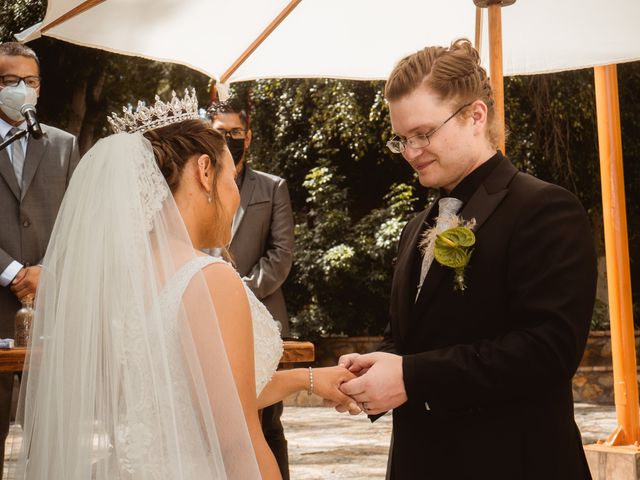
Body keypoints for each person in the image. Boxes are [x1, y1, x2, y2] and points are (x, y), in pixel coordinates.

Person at [14, 89, 359, 479]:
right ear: (205, 171)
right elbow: (236, 439)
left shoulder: (116, 281)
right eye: (231, 178)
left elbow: (196, 392)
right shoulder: (207, 278)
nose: (235, 199)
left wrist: (310, 379)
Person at [337, 39, 597, 479]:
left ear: (476, 116)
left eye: (423, 134)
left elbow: (547, 351)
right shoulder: (416, 225)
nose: (411, 152)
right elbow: (409, 339)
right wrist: (375, 364)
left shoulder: (545, 208)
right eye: (401, 138)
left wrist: (411, 376)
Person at [0, 42, 79, 479]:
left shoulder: (64, 146)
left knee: (50, 437)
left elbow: (81, 218)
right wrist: (14, 272)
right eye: (10, 81)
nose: (21, 89)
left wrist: (48, 271)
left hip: (52, 314)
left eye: (29, 82)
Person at [207, 98, 295, 479]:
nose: (229, 139)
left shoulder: (273, 187)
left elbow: (281, 255)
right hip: (205, 318)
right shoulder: (194, 182)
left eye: (236, 133)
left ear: (250, 136)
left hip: (262, 319)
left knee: (266, 424)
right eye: (219, 133)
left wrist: (236, 294)